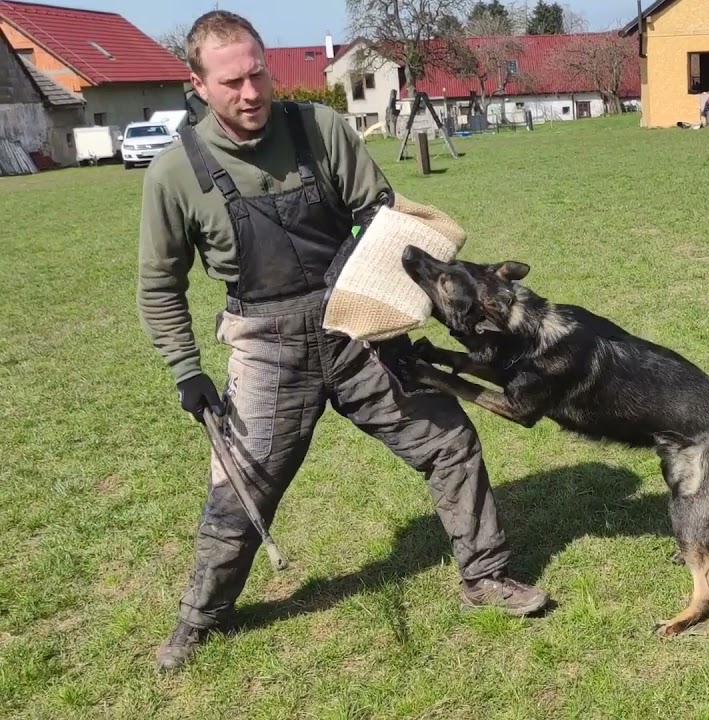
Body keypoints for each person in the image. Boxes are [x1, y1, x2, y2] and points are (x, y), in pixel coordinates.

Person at [138, 10, 549, 673]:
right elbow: (159, 287)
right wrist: (187, 370)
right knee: (240, 490)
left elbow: (381, 217)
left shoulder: (320, 129)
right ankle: (199, 619)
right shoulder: (174, 176)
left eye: (258, 74)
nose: (251, 94)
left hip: (355, 321)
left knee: (448, 440)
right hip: (266, 346)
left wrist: (380, 302)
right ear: (198, 84)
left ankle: (485, 576)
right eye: (232, 82)